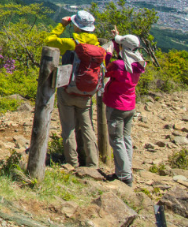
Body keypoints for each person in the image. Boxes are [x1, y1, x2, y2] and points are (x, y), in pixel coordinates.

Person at [45, 10, 102, 167]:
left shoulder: (72, 44)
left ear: (76, 25)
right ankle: (93, 162)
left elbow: (49, 40)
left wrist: (62, 25)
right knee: (87, 127)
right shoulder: (97, 45)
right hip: (87, 93)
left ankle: (72, 162)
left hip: (68, 90)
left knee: (68, 128)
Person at [103, 28, 145, 186]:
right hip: (130, 106)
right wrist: (116, 39)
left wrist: (107, 55)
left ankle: (125, 175)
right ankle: (124, 170)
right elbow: (122, 56)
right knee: (126, 139)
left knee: (116, 140)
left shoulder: (118, 65)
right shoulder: (138, 64)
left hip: (117, 106)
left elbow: (107, 70)